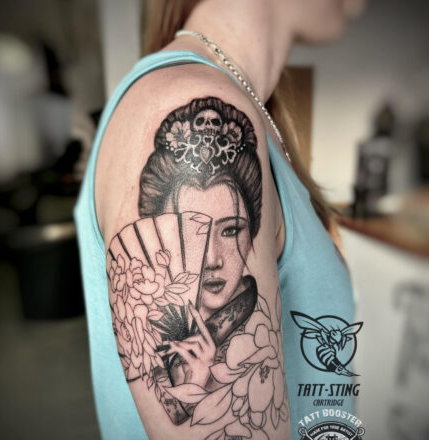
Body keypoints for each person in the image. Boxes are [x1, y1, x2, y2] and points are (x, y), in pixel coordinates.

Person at [75, 0, 365, 439]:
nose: (211, 259)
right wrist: (197, 389)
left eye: (231, 230)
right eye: (192, 232)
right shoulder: (180, 97)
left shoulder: (250, 109)